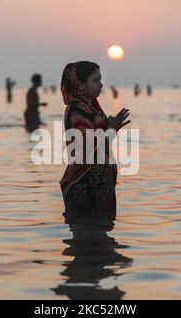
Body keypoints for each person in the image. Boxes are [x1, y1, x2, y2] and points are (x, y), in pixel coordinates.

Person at [59, 61, 131, 219]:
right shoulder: (76, 110)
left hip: (100, 187)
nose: (101, 85)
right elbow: (86, 150)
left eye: (100, 79)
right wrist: (111, 129)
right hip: (84, 188)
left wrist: (112, 128)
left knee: (102, 237)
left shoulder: (94, 109)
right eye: (95, 80)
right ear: (80, 85)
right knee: (86, 237)